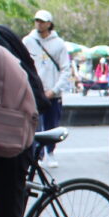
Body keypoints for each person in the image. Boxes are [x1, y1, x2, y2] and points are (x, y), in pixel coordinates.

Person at [23, 9, 70, 167]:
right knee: (33, 124)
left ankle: (50, 152)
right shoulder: (28, 41)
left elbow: (65, 69)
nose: (39, 24)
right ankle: (37, 155)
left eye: (42, 21)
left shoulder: (59, 44)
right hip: (33, 92)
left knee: (51, 124)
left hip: (52, 93)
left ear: (49, 24)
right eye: (37, 20)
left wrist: (54, 90)